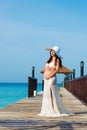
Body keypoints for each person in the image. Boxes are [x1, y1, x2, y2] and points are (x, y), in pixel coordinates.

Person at [38, 45, 74, 117]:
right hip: (46, 78)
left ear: (55, 53)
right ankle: (48, 109)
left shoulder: (57, 60)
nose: (51, 52)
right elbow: (45, 68)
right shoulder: (49, 60)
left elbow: (56, 70)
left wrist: (49, 75)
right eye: (51, 51)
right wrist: (45, 75)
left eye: (53, 51)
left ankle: (54, 109)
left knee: (52, 94)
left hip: (52, 78)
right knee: (47, 94)